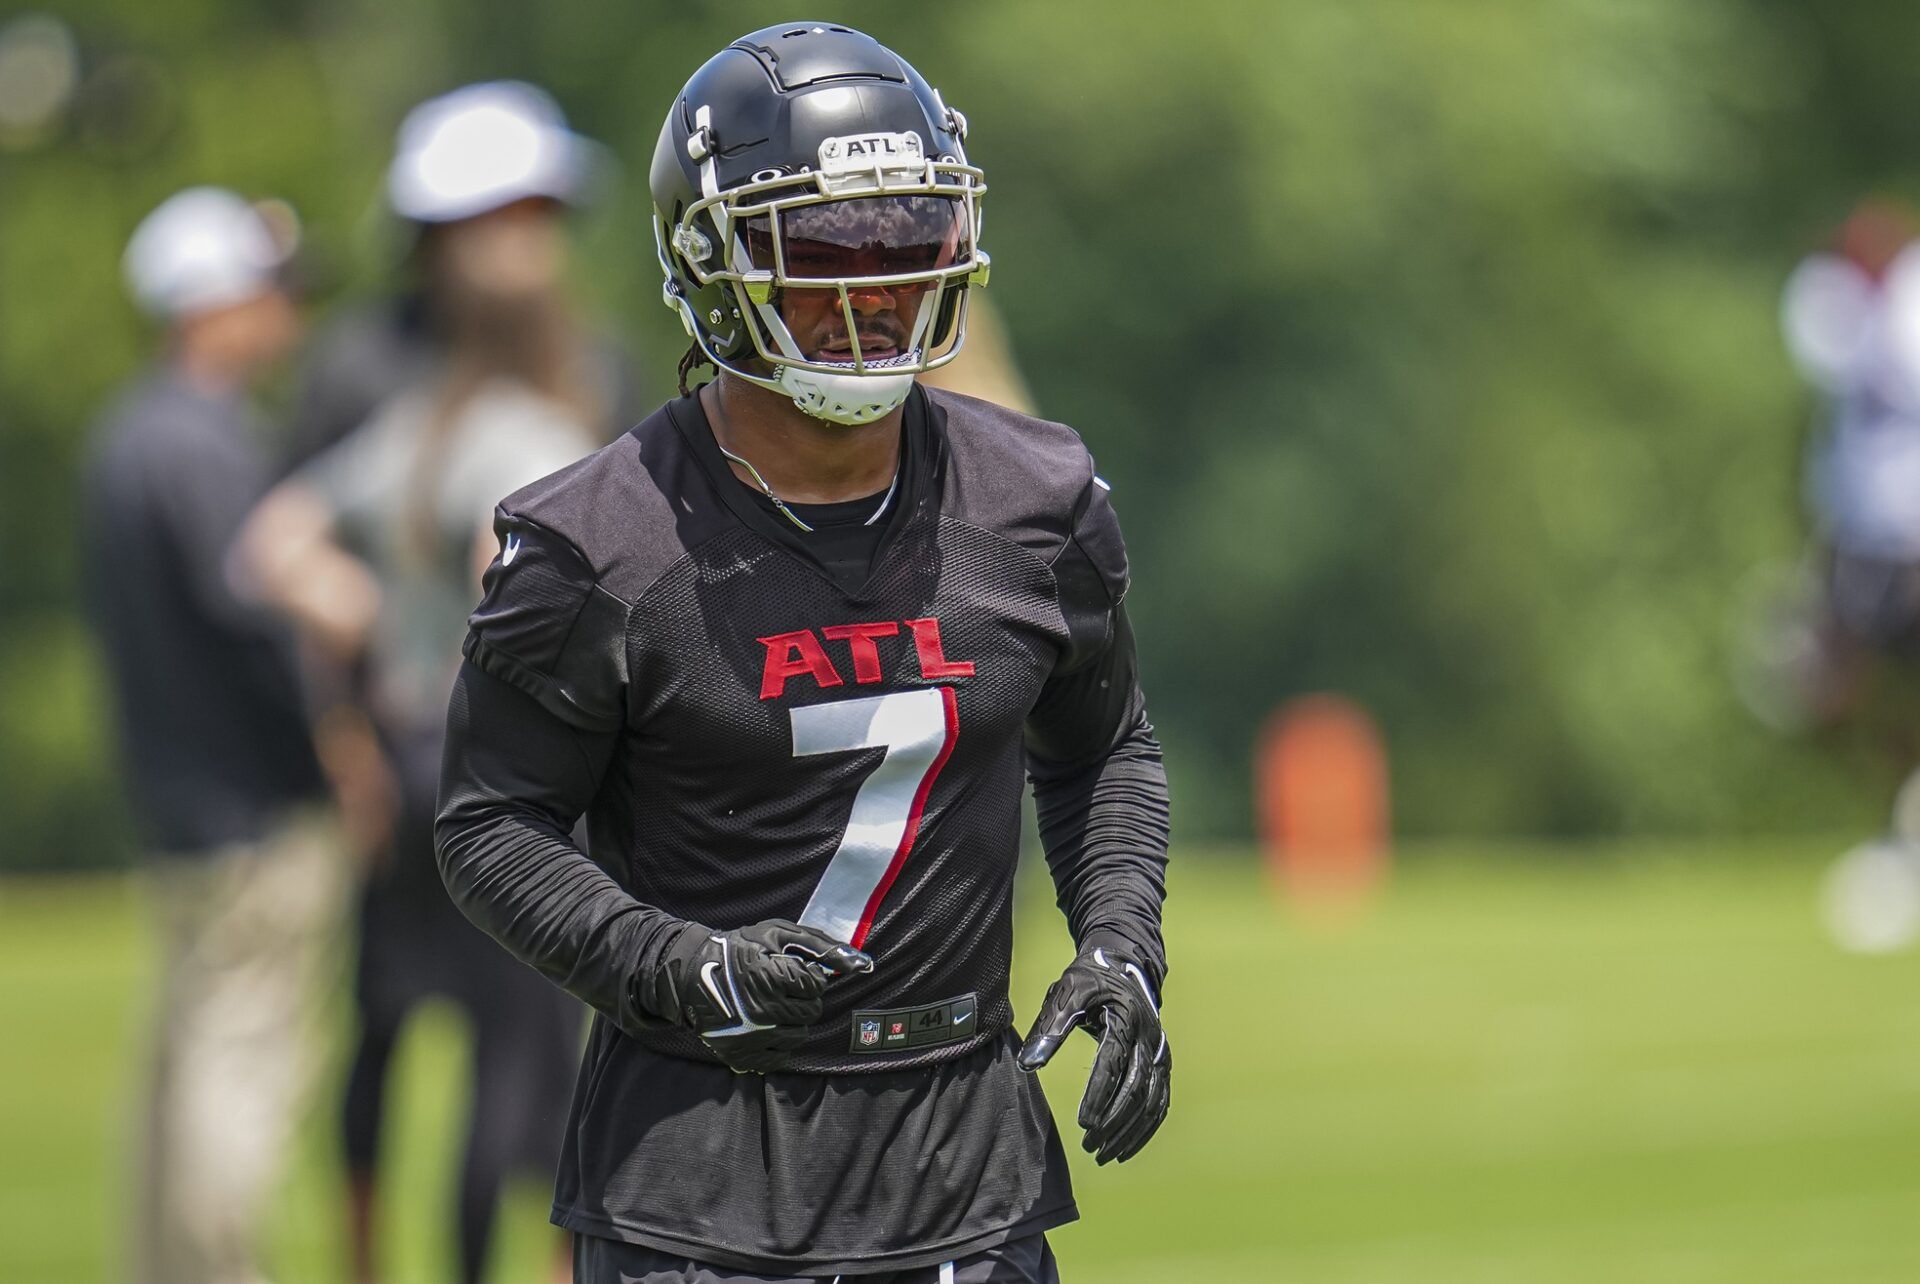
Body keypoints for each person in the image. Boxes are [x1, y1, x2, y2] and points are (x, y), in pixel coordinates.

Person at [434, 24, 1172, 1283]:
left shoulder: (1037, 499)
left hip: (967, 1169)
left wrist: (1120, 941)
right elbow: (488, 826)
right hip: (700, 1178)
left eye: (911, 238)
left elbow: (1103, 741)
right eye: (826, 245)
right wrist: (685, 967)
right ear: (712, 260)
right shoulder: (594, 545)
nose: (875, 288)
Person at [236, 83, 610, 1284]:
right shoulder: (367, 369)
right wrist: (337, 732)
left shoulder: (582, 363)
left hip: (456, 749)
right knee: (406, 1032)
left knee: (536, 1035)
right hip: (428, 752)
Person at [80, 186, 341, 1284]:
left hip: (179, 808)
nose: (285, 314)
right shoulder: (208, 445)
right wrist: (342, 751)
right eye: (267, 291)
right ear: (212, 303)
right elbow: (263, 629)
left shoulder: (125, 440)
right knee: (240, 1072)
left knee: (185, 1065)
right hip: (256, 816)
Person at [282, 81, 645, 471]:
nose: (520, 241)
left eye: (537, 211)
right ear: (434, 237)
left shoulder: (600, 369)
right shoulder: (357, 365)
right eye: (494, 216)